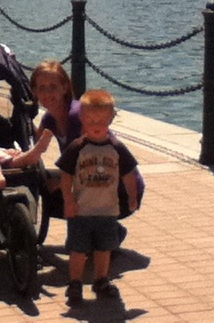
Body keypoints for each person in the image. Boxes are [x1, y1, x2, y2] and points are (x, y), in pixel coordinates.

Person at [31, 60, 145, 221]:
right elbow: (34, 149)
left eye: (53, 87)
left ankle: (105, 230)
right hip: (96, 180)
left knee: (58, 195)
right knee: (38, 178)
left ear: (65, 87)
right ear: (34, 91)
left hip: (121, 189)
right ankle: (102, 229)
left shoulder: (78, 116)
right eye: (42, 88)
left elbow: (95, 159)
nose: (47, 93)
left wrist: (60, 184)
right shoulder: (50, 119)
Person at [57, 88, 139, 305]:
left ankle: (101, 280)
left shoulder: (116, 148)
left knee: (104, 249)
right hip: (81, 210)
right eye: (91, 120)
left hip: (107, 210)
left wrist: (132, 196)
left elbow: (129, 173)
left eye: (101, 121)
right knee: (78, 250)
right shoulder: (77, 147)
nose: (96, 125)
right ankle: (75, 283)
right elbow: (65, 175)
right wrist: (68, 199)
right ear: (82, 118)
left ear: (111, 119)